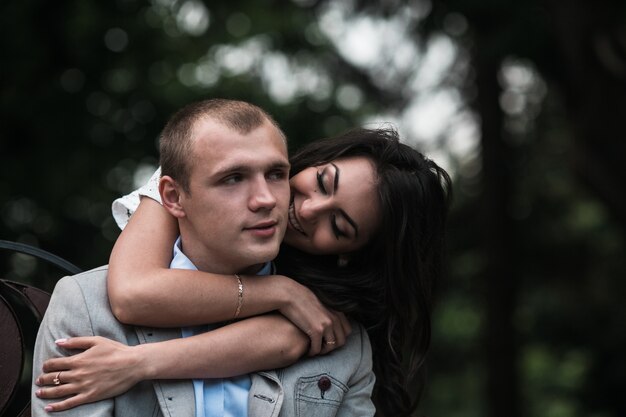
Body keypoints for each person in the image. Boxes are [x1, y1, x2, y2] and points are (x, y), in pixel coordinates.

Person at [35, 123, 452, 417]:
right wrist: (281, 292)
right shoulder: (208, 167)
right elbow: (130, 294)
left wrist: (136, 363)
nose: (306, 211)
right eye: (322, 182)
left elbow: (286, 341)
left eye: (339, 226)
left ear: (350, 254)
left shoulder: (332, 317)